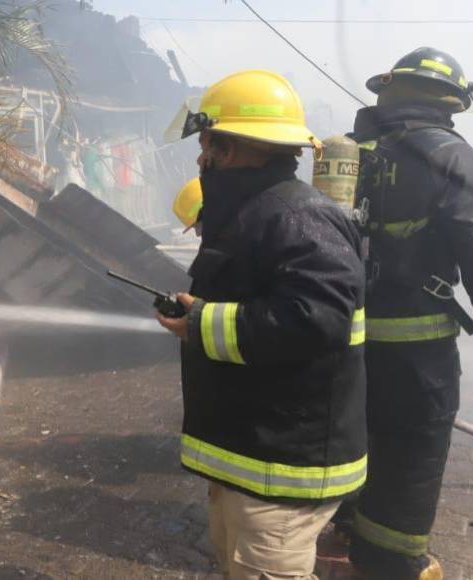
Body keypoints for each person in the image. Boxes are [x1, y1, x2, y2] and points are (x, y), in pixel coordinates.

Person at [158, 69, 367, 580]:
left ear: (229, 149)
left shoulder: (297, 216)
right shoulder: (254, 213)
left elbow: (314, 321)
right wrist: (196, 314)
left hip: (285, 467)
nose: (201, 159)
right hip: (253, 454)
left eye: (206, 145)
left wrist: (201, 322)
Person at [346, 47, 473, 580]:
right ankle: (393, 559)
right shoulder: (450, 153)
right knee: (413, 447)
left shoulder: (346, 151)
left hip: (343, 336)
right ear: (451, 100)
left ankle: (344, 523)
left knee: (356, 430)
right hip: (416, 345)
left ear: (389, 90)